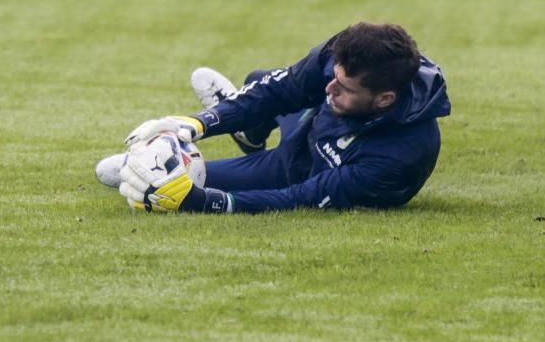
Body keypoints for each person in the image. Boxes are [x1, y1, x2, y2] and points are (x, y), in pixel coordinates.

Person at [97, 22, 451, 214]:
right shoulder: (340, 54)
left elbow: (302, 197)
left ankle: (241, 143)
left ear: (384, 99)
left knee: (191, 181)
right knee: (260, 83)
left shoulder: (401, 157)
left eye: (344, 86)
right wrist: (196, 123)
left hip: (296, 169)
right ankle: (251, 131)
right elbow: (281, 90)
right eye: (333, 76)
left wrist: (201, 202)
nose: (329, 87)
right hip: (313, 125)